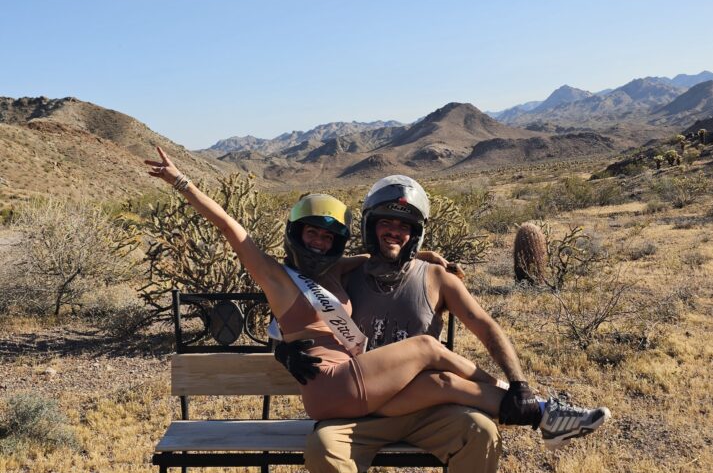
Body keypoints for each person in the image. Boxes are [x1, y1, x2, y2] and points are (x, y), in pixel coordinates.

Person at [276, 175, 611, 473]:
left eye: (405, 227)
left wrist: (519, 379)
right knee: (323, 446)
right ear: (368, 227)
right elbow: (291, 298)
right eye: (385, 224)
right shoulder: (344, 272)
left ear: (416, 233)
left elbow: (487, 326)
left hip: (429, 407)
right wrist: (282, 350)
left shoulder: (438, 278)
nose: (394, 233)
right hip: (364, 410)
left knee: (480, 431)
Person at [145, 147, 566, 429]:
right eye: (311, 235)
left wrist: (425, 256)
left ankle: (540, 414)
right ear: (295, 234)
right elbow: (228, 228)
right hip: (332, 387)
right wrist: (181, 181)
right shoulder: (273, 275)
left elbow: (382, 256)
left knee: (445, 385)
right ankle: (517, 395)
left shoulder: (339, 272)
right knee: (428, 350)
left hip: (359, 384)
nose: (320, 243)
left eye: (328, 238)